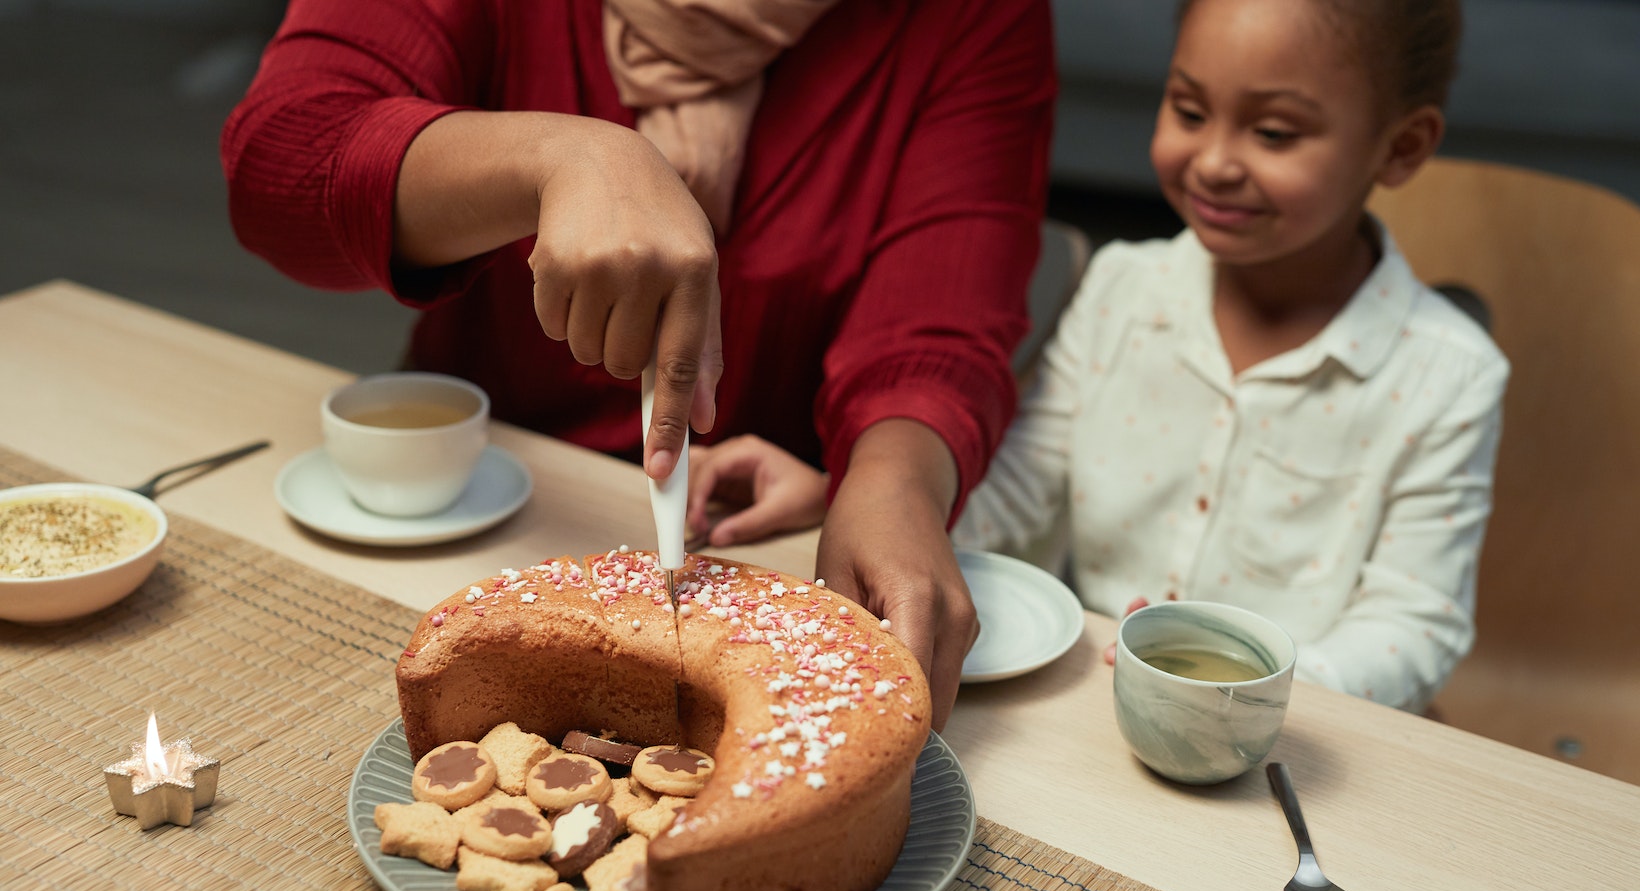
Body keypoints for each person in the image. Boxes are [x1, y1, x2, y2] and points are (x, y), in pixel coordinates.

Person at [220, 0, 1057, 730]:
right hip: (479, 517)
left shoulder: (968, 16)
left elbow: (942, 314)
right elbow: (283, 157)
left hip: (766, 539)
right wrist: (553, 158)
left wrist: (896, 481)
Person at [685, 0, 1507, 715]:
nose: (1214, 160)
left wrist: (1249, 687)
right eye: (1189, 111)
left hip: (1303, 743)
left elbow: (1415, 625)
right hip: (1101, 712)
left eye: (1274, 132)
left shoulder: (1451, 375)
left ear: (1400, 149)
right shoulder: (1122, 289)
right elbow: (1018, 494)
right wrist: (858, 497)